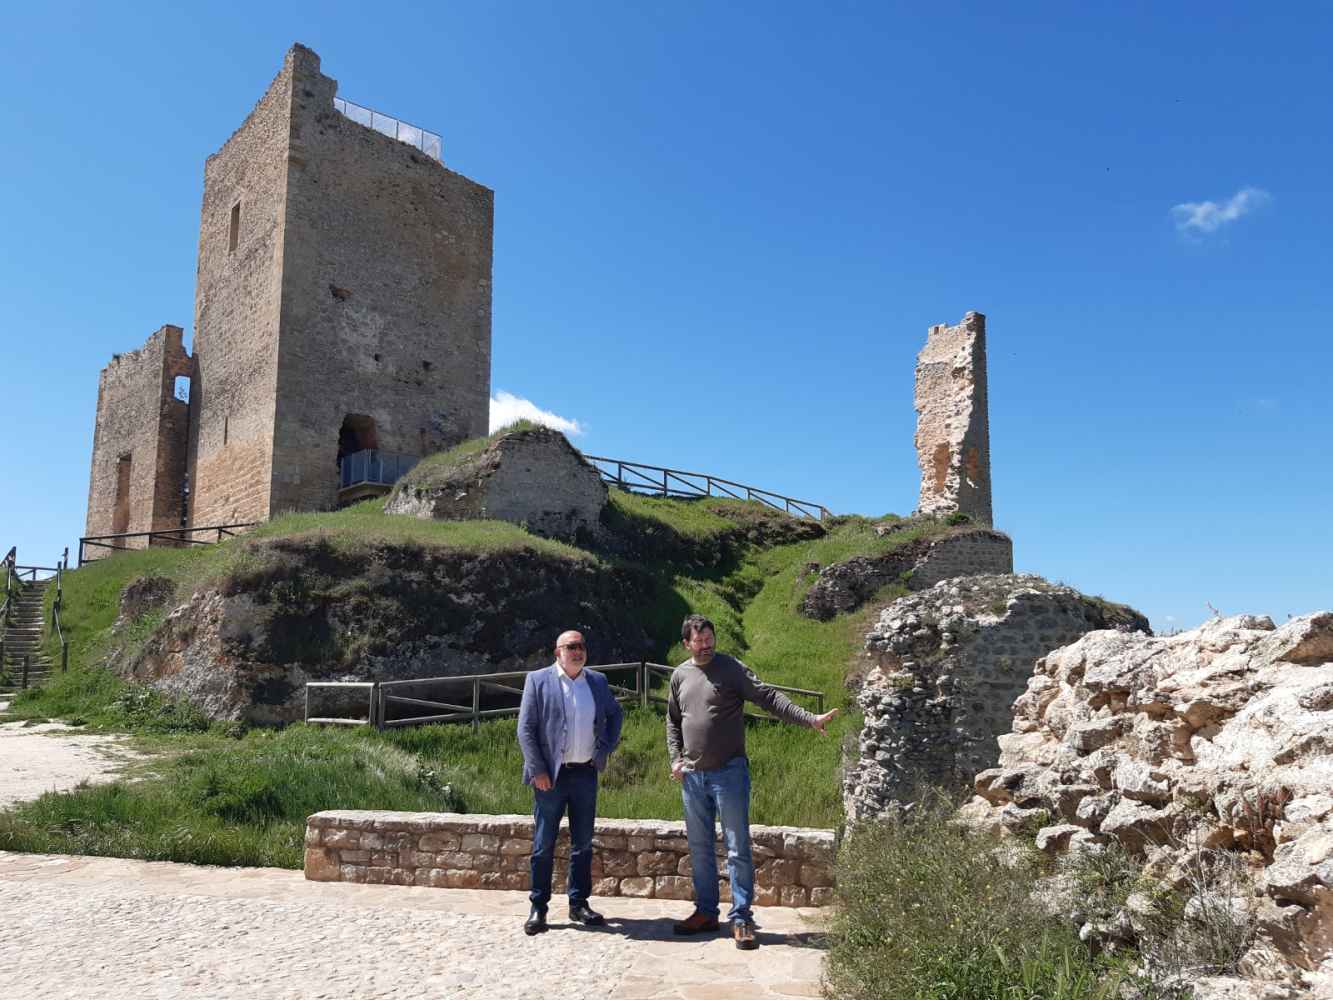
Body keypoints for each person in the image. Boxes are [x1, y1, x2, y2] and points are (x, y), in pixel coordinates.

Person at [666, 614, 838, 949]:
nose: (706, 645)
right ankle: (705, 913)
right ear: (686, 644)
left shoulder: (731, 668)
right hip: (692, 777)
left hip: (729, 774)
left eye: (709, 639)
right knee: (699, 849)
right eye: (699, 641)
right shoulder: (679, 675)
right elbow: (673, 721)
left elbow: (768, 697)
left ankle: (742, 918)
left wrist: (809, 718)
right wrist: (675, 758)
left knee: (737, 848)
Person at [517, 629, 624, 935]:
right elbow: (526, 729)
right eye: (571, 646)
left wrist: (604, 749)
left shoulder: (597, 681)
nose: (578, 651)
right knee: (543, 844)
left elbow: (615, 714)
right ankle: (538, 907)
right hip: (551, 776)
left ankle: (578, 904)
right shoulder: (538, 680)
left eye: (582, 646)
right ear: (558, 652)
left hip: (585, 773)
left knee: (583, 843)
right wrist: (538, 770)